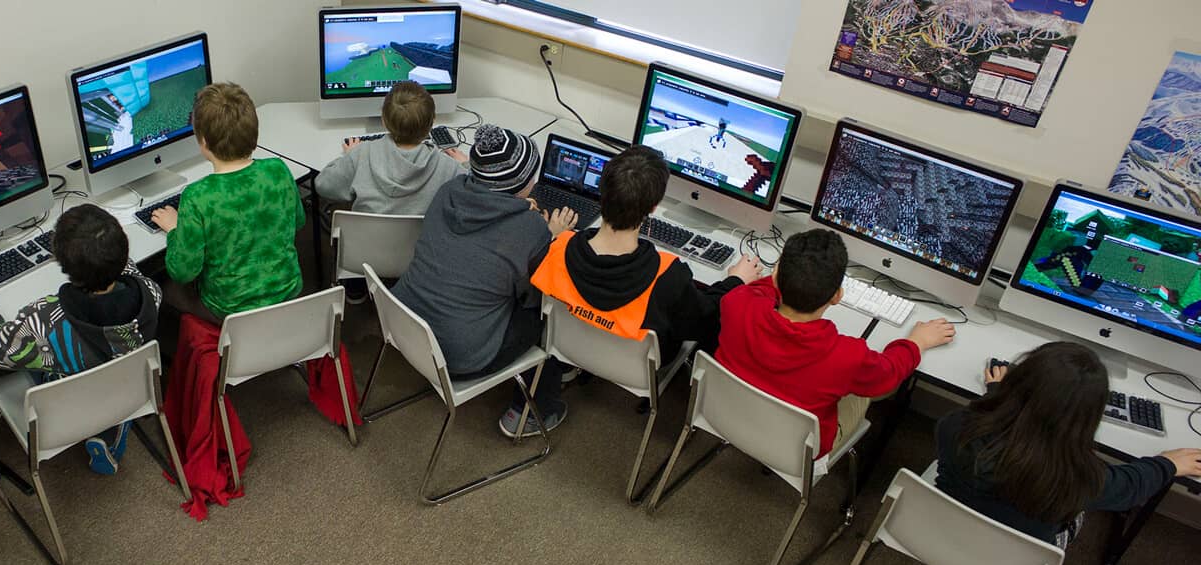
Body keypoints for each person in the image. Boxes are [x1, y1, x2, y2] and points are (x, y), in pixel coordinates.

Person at [391, 124, 578, 438]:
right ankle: (534, 409)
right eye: (531, 175)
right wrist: (552, 237)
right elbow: (531, 295)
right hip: (460, 356)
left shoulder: (449, 190)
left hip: (406, 325)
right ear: (522, 185)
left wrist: (517, 211)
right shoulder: (531, 230)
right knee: (548, 311)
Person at [0, 204, 161, 475]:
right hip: (128, 386)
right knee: (104, 367)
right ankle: (112, 426)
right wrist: (110, 256)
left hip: (70, 402)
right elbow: (130, 273)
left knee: (35, 354)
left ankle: (97, 422)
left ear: (59, 262)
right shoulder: (151, 293)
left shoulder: (45, 319)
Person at [715, 228, 956, 457]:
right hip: (797, 450)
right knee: (869, 390)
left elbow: (757, 292)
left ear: (776, 276)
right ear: (837, 296)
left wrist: (783, 276)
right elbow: (890, 373)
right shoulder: (848, 356)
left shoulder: (736, 301)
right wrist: (916, 342)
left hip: (726, 414)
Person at [936, 342, 1201, 546]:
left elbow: (992, 425)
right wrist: (1168, 464)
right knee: (1077, 513)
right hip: (1015, 562)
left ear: (1017, 383)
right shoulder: (1078, 480)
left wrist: (996, 393)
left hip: (939, 529)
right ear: (1086, 418)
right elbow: (1130, 486)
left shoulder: (954, 425)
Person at [529, 145, 762, 362]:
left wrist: (554, 235)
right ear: (653, 206)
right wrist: (735, 281)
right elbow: (704, 319)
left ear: (601, 193)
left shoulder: (558, 246)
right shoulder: (668, 275)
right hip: (636, 364)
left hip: (568, 347)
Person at [151, 82, 303, 322]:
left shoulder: (198, 196)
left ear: (203, 142)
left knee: (165, 289)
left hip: (229, 309)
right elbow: (298, 222)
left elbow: (182, 271)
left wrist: (174, 230)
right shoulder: (278, 170)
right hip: (288, 291)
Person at [316, 81, 468, 302]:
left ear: (384, 120)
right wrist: (464, 165)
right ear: (432, 123)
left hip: (361, 256)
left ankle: (356, 286)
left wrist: (349, 156)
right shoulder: (447, 167)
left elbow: (323, 184)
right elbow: (474, 190)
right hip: (417, 257)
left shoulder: (363, 155)